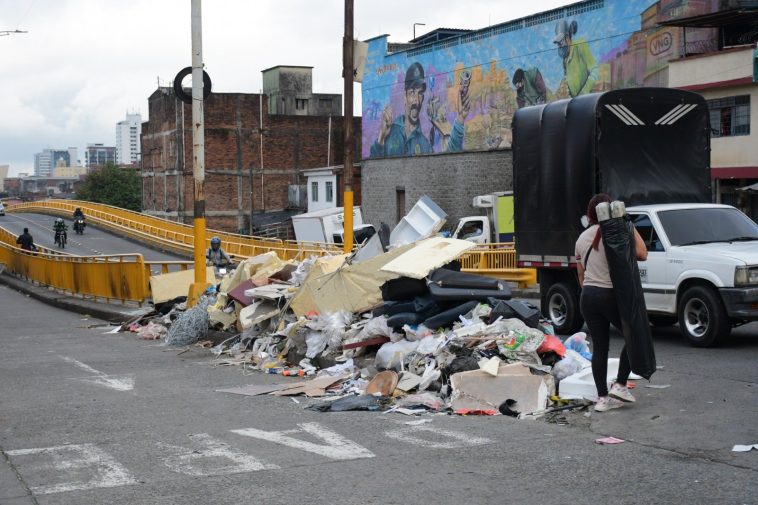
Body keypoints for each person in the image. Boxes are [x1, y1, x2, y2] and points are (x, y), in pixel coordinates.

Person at [575, 193, 648, 412]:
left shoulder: (581, 239)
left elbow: (581, 275)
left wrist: (593, 291)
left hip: (588, 296)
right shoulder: (617, 233)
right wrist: (628, 224)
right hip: (609, 294)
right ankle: (620, 385)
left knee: (600, 348)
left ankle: (602, 399)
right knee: (633, 334)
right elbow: (642, 253)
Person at [370, 62, 468, 157]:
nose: (417, 100)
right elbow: (374, 167)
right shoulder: (389, 131)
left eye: (420, 93)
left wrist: (460, 119)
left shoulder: (425, 145)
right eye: (412, 92)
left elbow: (447, 162)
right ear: (405, 96)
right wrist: (381, 136)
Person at [554, 19, 598, 98]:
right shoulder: (565, 60)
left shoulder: (581, 45)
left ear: (567, 37)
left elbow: (594, 70)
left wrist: (584, 93)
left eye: (561, 43)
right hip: (575, 102)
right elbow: (566, 79)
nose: (559, 46)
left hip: (588, 99)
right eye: (558, 44)